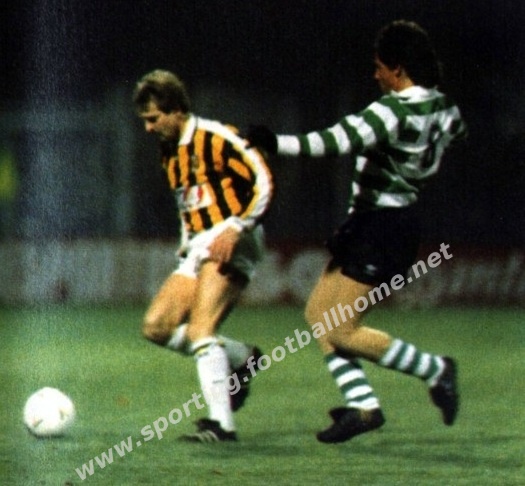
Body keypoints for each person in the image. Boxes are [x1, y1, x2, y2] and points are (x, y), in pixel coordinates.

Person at [247, 20, 466, 443]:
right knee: (319, 314)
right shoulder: (444, 108)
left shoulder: (392, 111)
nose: (375, 75)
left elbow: (333, 141)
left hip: (380, 225)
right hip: (385, 222)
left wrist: (273, 143)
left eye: (380, 67)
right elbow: (456, 138)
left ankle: (436, 370)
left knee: (342, 329)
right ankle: (362, 405)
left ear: (398, 69)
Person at [133, 70, 273, 442]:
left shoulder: (216, 136)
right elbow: (187, 203)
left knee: (200, 330)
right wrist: (186, 241)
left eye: (153, 118)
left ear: (176, 110)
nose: (148, 128)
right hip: (199, 243)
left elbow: (263, 180)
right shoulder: (168, 153)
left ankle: (221, 425)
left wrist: (237, 227)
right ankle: (241, 357)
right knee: (156, 327)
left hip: (233, 235)